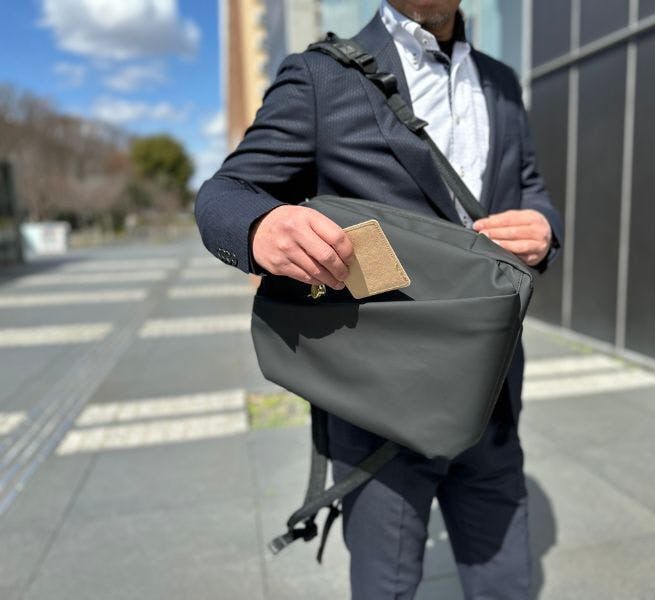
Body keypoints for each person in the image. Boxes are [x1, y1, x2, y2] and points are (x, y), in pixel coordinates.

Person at [195, 1, 564, 597]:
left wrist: (545, 228)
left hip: (489, 392)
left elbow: (531, 187)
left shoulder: (501, 81)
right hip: (380, 408)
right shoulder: (322, 75)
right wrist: (262, 227)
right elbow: (226, 192)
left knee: (508, 584)